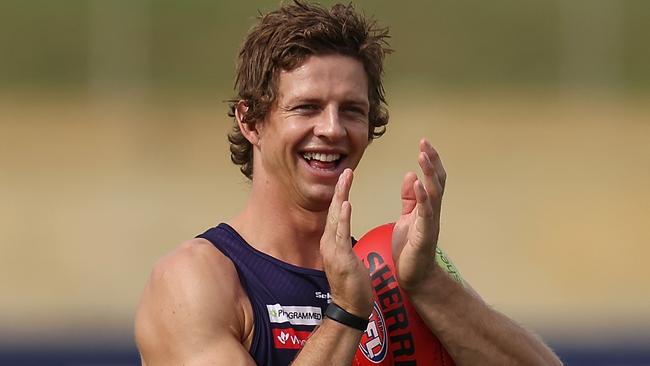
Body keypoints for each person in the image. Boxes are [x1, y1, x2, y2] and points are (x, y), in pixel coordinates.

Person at [134, 1, 563, 365]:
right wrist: (345, 313)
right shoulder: (195, 280)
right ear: (250, 120)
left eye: (352, 110)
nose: (332, 129)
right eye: (307, 107)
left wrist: (428, 283)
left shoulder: (387, 270)